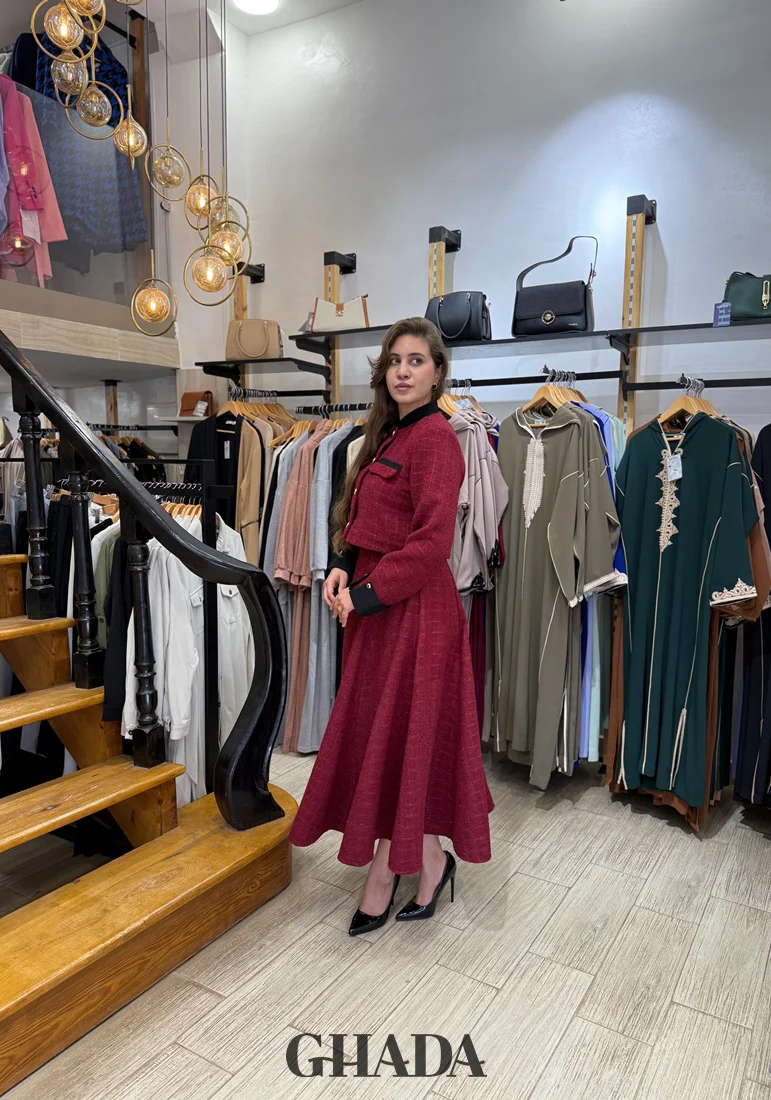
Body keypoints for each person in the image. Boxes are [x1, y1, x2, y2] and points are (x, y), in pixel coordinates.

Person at [288, 317, 494, 935]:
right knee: (396, 739)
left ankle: (385, 872)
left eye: (416, 361)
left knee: (406, 736)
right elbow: (367, 520)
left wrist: (366, 594)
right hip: (381, 612)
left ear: (437, 372)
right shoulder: (386, 434)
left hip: (416, 615)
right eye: (395, 361)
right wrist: (341, 564)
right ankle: (430, 862)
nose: (403, 371)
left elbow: (431, 544)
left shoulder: (435, 438)